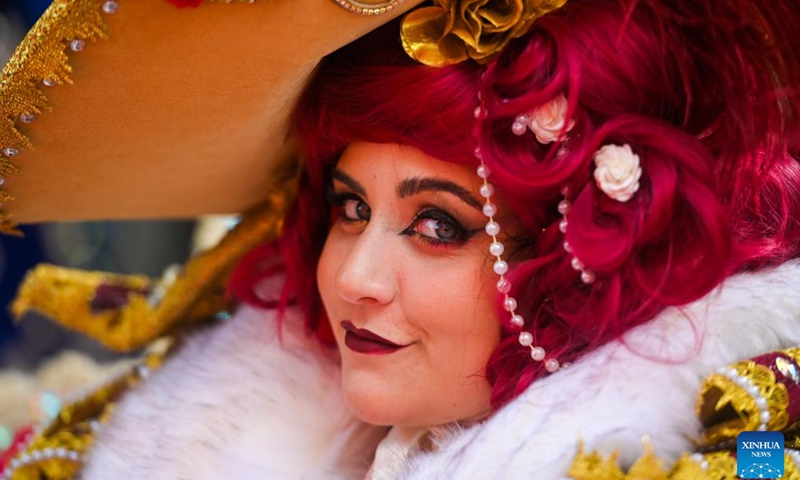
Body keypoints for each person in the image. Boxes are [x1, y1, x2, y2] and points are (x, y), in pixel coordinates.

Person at [3, 0, 800, 478]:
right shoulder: (177, 425)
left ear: (579, 262)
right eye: (350, 210)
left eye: (437, 226)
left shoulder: (742, 445)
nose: (354, 276)